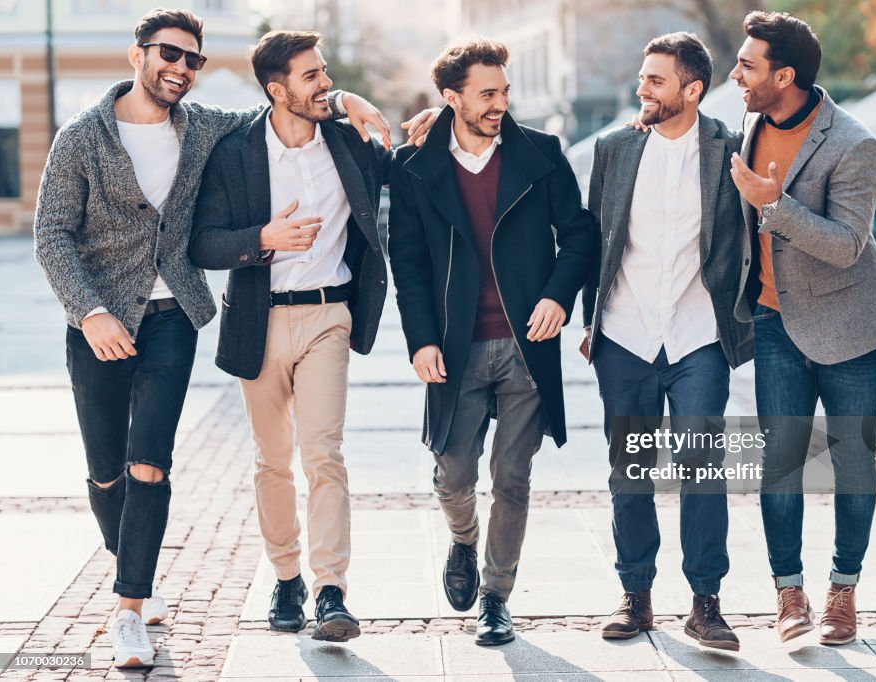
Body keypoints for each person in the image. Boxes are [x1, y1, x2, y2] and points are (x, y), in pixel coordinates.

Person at [33, 8, 419, 667]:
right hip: (103, 321)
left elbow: (279, 118)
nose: (180, 68)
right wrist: (89, 308)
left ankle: (134, 609)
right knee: (107, 474)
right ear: (138, 55)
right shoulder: (82, 138)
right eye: (169, 55)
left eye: (193, 60)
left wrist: (344, 97)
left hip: (178, 319)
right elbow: (51, 234)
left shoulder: (206, 128)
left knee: (154, 463)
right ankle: (139, 566)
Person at [189, 29, 440, 643]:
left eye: (326, 72)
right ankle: (285, 578)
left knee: (324, 454)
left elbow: (408, 168)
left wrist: (439, 119)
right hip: (259, 318)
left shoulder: (347, 141)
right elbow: (202, 242)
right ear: (278, 90)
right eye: (313, 76)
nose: (325, 82)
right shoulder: (236, 153)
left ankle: (331, 590)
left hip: (330, 315)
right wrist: (263, 240)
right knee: (272, 461)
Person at [387, 38, 599, 646]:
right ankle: (462, 541)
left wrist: (559, 296)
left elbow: (580, 236)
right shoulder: (414, 168)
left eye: (504, 91)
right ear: (451, 98)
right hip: (453, 348)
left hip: (526, 347)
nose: (500, 103)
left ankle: (496, 596)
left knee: (512, 476)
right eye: (486, 93)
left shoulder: (541, 154)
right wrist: (421, 340)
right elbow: (409, 263)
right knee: (453, 475)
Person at [580, 32, 753, 651]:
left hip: (698, 336)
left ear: (692, 89)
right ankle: (637, 596)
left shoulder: (729, 151)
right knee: (630, 472)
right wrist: (589, 321)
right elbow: (595, 238)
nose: (642, 88)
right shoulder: (613, 149)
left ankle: (706, 603)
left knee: (702, 470)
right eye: (643, 77)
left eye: (656, 79)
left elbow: (746, 243)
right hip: (624, 334)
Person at [728, 10, 876, 646]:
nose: (737, 74)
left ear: (784, 75)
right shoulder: (746, 125)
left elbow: (848, 244)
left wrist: (773, 205)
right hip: (775, 321)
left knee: (852, 465)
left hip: (851, 329)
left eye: (747, 65)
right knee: (781, 465)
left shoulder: (855, 144)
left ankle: (843, 590)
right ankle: (788, 592)